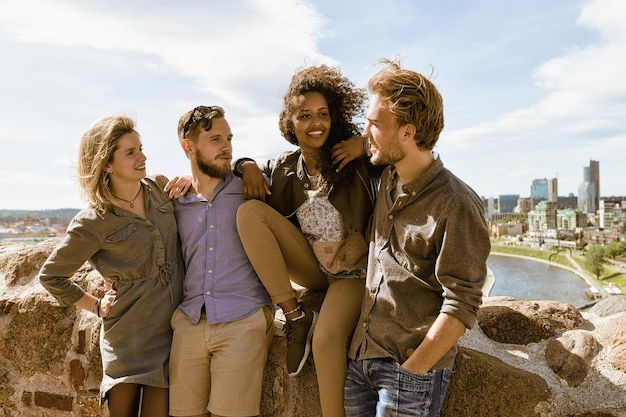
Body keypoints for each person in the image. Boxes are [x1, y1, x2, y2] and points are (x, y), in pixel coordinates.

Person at [344, 58, 491, 417]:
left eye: (375, 123)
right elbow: (367, 146)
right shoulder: (387, 179)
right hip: (360, 361)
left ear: (408, 132)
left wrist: (414, 367)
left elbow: (462, 301)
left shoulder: (456, 203)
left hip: (407, 374)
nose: (365, 132)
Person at [235, 65, 380, 417]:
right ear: (290, 121)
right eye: (305, 115)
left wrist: (366, 144)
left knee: (327, 341)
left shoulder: (354, 159)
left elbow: (412, 149)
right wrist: (247, 164)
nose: (316, 123)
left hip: (352, 274)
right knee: (249, 213)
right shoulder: (286, 166)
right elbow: (235, 166)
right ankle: (294, 314)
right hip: (313, 269)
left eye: (323, 114)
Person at [38, 115, 186, 417]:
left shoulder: (160, 189)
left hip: (174, 330)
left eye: (141, 148)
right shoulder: (92, 221)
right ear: (106, 162)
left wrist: (190, 182)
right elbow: (52, 276)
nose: (142, 157)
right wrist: (95, 305)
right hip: (128, 338)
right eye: (130, 152)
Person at [168, 105, 274, 417]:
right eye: (215, 139)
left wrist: (249, 165)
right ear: (189, 147)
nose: (226, 146)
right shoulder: (176, 202)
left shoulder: (252, 189)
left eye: (228, 138)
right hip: (189, 322)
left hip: (242, 318)